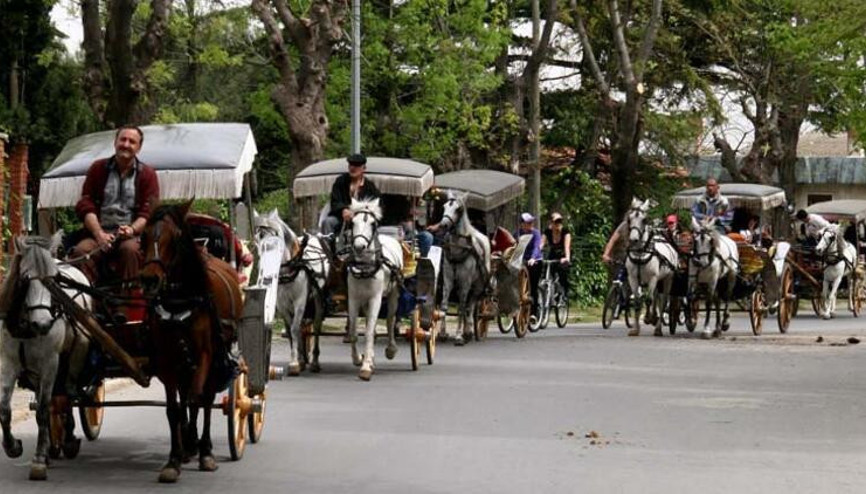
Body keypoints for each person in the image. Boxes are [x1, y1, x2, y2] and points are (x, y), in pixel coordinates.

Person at [71, 125, 160, 286]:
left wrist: (131, 229)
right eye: (123, 139)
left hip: (131, 237)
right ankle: (85, 302)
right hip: (98, 234)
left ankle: (126, 305)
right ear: (115, 142)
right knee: (81, 252)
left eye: (132, 142)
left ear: (138, 148)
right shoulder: (97, 169)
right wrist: (99, 234)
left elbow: (148, 212)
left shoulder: (148, 175)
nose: (126, 144)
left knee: (130, 251)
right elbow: (86, 204)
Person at [321, 153, 380, 236]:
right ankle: (328, 247)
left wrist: (359, 214)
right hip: (341, 219)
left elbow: (376, 206)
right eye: (351, 165)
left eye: (356, 166)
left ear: (364, 168)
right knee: (328, 222)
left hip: (362, 220)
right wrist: (343, 209)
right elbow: (334, 201)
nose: (352, 168)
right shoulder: (340, 181)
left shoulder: (370, 187)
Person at [515, 212, 543, 315]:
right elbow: (514, 247)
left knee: (533, 286)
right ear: (522, 224)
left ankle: (534, 314)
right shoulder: (518, 234)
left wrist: (532, 258)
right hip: (522, 262)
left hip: (535, 261)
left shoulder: (535, 233)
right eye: (528, 222)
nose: (531, 224)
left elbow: (536, 247)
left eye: (531, 222)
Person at [542, 212, 571, 300]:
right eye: (556, 222)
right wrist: (536, 254)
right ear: (551, 223)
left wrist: (567, 258)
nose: (558, 224)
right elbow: (541, 244)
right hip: (553, 254)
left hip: (563, 255)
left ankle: (564, 292)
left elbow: (567, 247)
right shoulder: (547, 232)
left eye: (560, 222)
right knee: (546, 270)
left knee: (562, 271)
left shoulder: (565, 232)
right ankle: (547, 294)